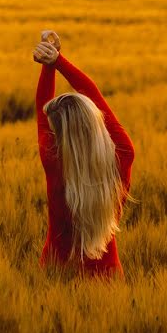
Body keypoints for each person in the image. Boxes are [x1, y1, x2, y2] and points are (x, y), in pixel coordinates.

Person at [33, 30, 135, 280]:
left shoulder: (53, 159)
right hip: (107, 276)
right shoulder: (122, 154)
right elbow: (94, 95)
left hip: (55, 272)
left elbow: (41, 108)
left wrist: (49, 65)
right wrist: (58, 61)